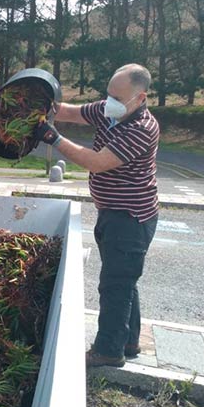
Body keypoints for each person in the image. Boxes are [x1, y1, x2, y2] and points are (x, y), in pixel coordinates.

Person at [33, 63, 159, 368]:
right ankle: (128, 341)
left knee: (115, 283)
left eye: (117, 96)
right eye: (108, 94)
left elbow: (97, 162)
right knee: (125, 279)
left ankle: (108, 351)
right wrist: (39, 106)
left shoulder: (142, 128)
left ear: (140, 98)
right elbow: (72, 112)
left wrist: (54, 139)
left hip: (130, 217)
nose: (109, 101)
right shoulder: (111, 109)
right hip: (112, 212)